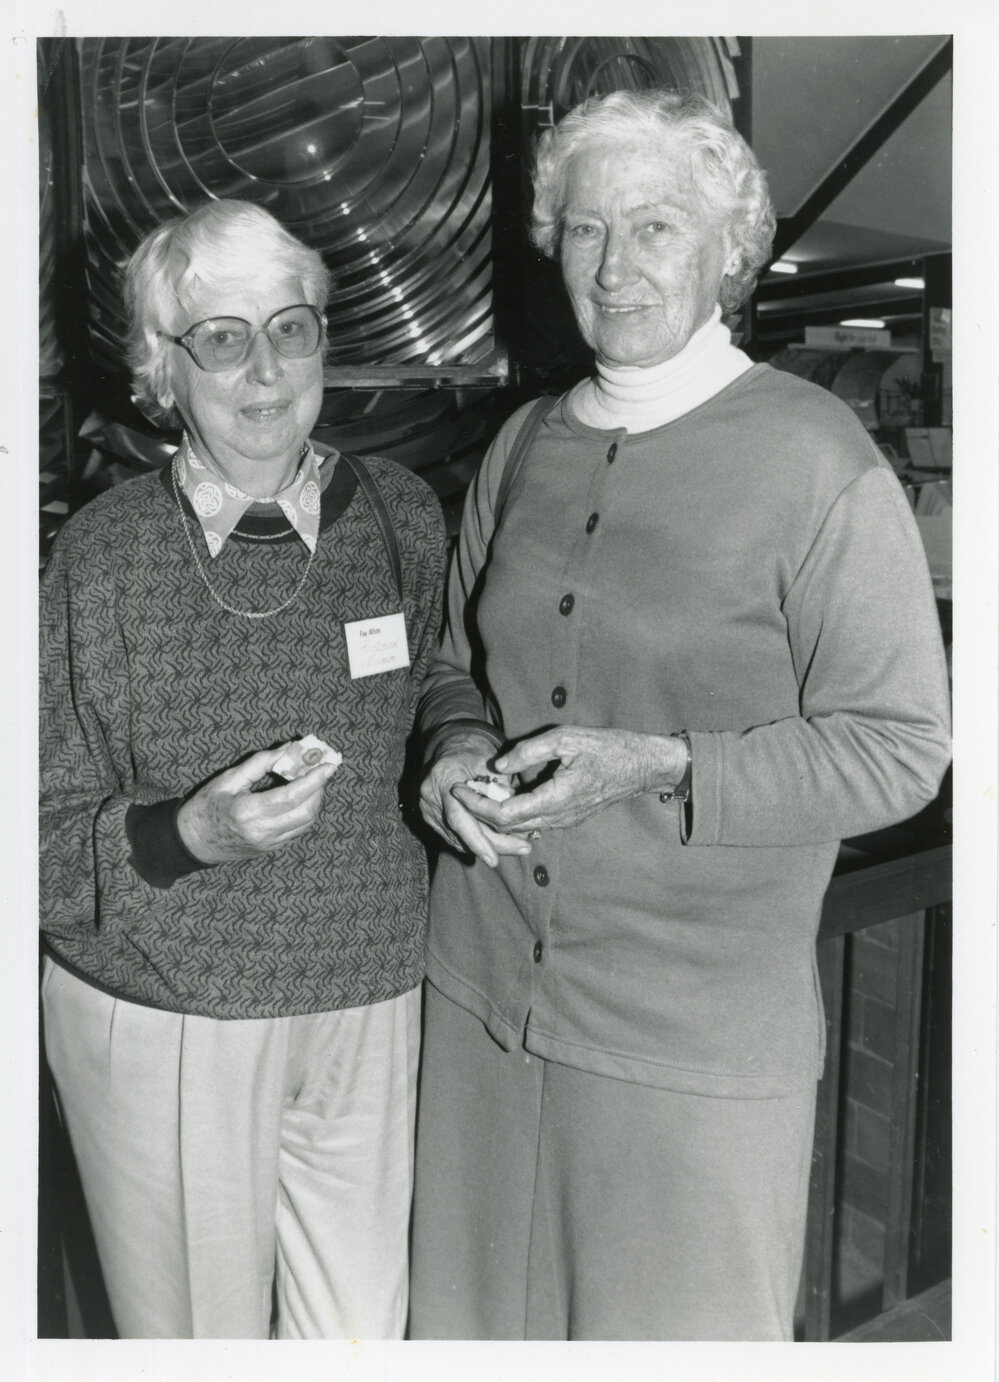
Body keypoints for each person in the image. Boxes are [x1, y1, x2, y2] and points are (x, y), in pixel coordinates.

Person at [408, 89, 951, 1341]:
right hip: (482, 1006)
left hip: (689, 1043)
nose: (615, 264)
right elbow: (450, 662)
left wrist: (659, 762)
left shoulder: (818, 461)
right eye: (587, 230)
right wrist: (452, 751)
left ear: (730, 247)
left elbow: (903, 748)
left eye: (655, 226)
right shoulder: (523, 442)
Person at [39, 199, 447, 1339]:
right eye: (220, 337)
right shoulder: (99, 557)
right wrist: (183, 835)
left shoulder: (405, 516)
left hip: (372, 987)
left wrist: (458, 743)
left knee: (361, 1335)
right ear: (164, 372)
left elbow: (445, 686)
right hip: (174, 1000)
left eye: (292, 327)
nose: (264, 367)